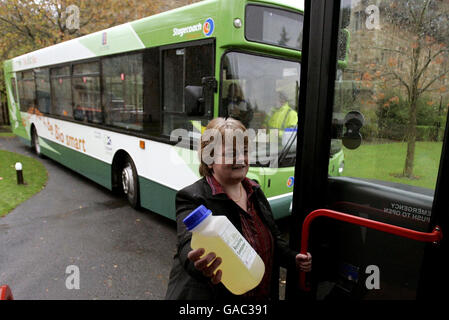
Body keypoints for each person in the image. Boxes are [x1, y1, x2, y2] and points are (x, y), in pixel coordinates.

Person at [165, 117, 311, 300]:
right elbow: (187, 245)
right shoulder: (192, 197)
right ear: (209, 160)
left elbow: (273, 239)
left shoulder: (254, 190)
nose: (241, 158)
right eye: (231, 153)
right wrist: (198, 264)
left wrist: (292, 258)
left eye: (244, 151)